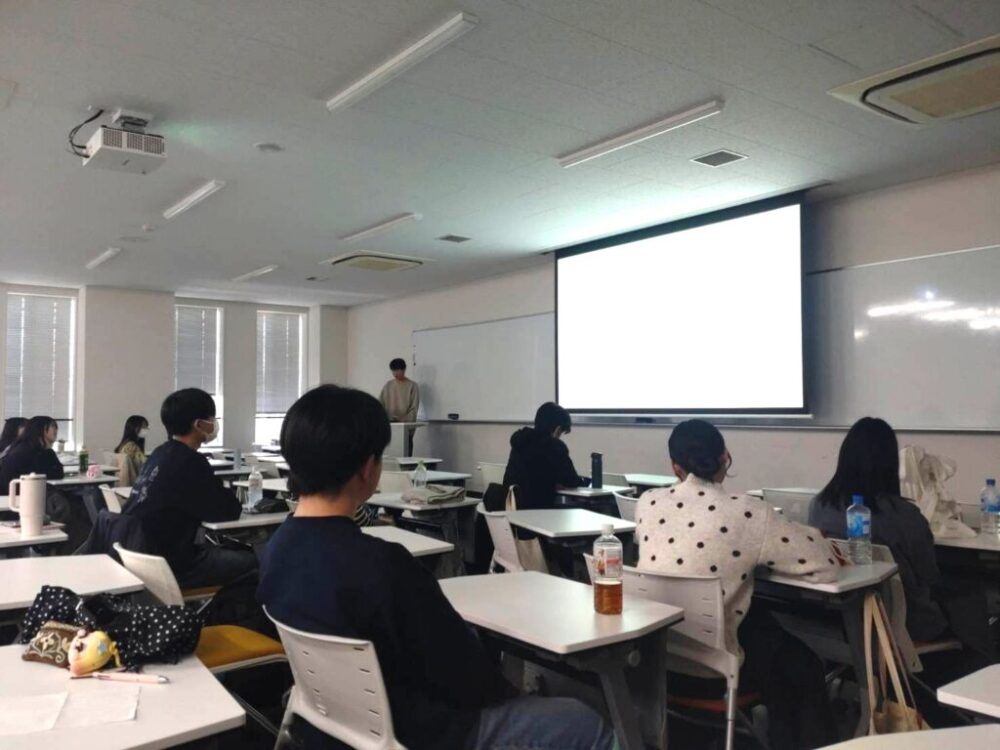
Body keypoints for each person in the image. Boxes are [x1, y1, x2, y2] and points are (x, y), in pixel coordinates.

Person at [258, 385, 617, 750]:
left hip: (334, 725)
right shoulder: (384, 565)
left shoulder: (276, 550)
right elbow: (468, 676)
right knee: (584, 722)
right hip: (428, 732)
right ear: (368, 469)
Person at [637, 419, 838, 750]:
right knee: (799, 665)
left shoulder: (647, 503)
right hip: (715, 674)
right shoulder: (750, 512)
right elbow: (823, 565)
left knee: (767, 635)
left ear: (675, 468)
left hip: (655, 663)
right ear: (725, 458)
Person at [809, 417, 994, 720]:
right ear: (888, 464)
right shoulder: (903, 514)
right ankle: (982, 681)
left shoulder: (819, 506)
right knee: (971, 595)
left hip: (842, 625)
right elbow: (928, 574)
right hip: (903, 626)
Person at [122, 389, 255, 588]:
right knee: (254, 561)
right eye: (212, 418)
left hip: (138, 558)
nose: (214, 423)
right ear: (199, 425)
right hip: (174, 565)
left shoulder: (159, 453)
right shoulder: (190, 461)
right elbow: (228, 511)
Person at [502, 402, 585, 510]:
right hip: (539, 511)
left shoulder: (521, 440)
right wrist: (583, 481)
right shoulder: (555, 446)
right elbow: (571, 481)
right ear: (558, 429)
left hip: (510, 508)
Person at [0, 416, 64, 486]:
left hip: (41, 488)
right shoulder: (22, 452)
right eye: (52, 426)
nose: (56, 430)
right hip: (23, 490)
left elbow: (59, 474)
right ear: (40, 428)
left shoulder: (48, 452)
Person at [379, 357, 419, 454]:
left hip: (405, 429)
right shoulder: (388, 385)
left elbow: (413, 409)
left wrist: (401, 420)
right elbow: (380, 405)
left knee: (406, 458)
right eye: (393, 371)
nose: (395, 374)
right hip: (389, 428)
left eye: (398, 371)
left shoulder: (412, 386)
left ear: (404, 370)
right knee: (389, 458)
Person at [114, 414, 149, 487]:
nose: (147, 429)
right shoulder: (132, 447)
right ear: (136, 429)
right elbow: (147, 465)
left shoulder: (124, 445)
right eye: (144, 427)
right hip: (136, 484)